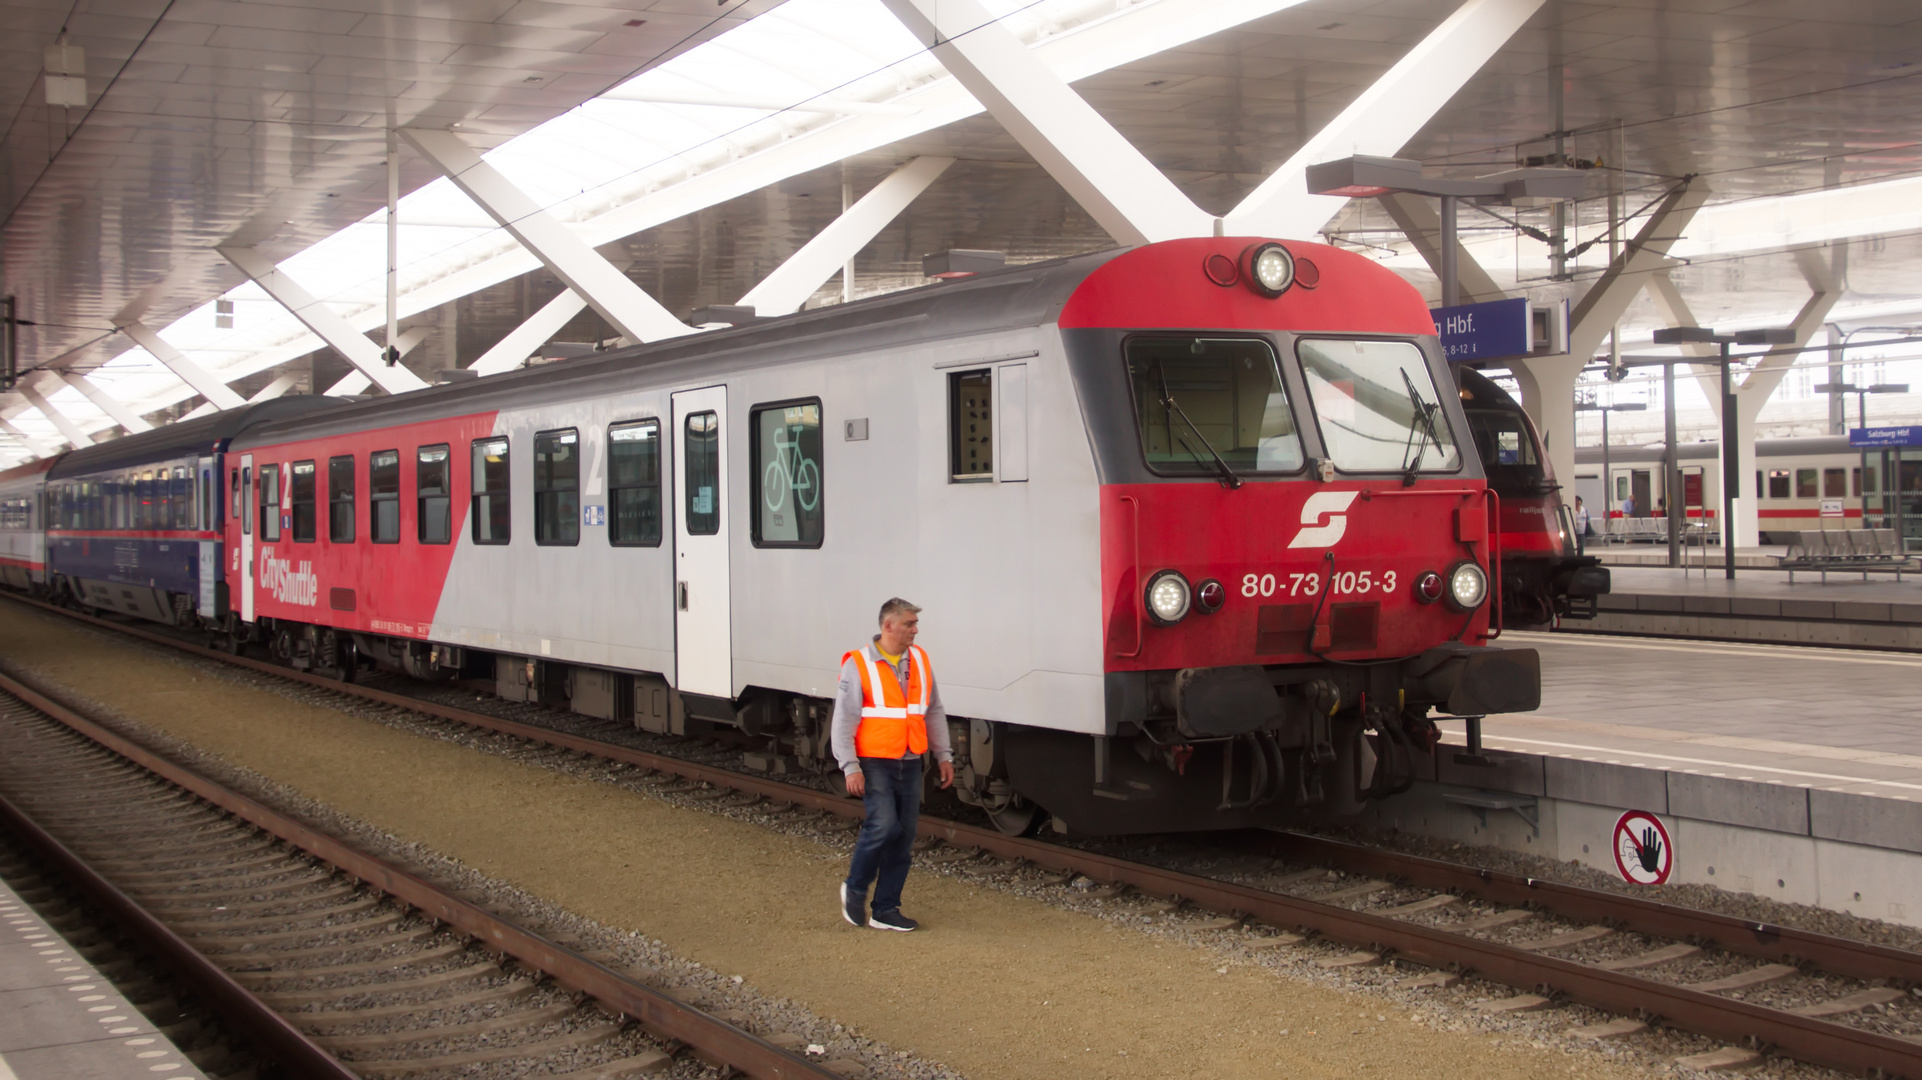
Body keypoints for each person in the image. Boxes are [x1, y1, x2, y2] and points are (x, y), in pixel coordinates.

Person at [834, 598, 954, 932]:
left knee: (903, 837)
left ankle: (885, 909)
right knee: (883, 825)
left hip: (911, 759)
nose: (915, 630)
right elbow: (843, 719)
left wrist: (944, 755)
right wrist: (850, 766)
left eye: (915, 624)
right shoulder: (858, 664)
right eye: (909, 624)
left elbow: (933, 710)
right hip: (875, 761)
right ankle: (855, 887)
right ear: (888, 626)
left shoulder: (919, 659)